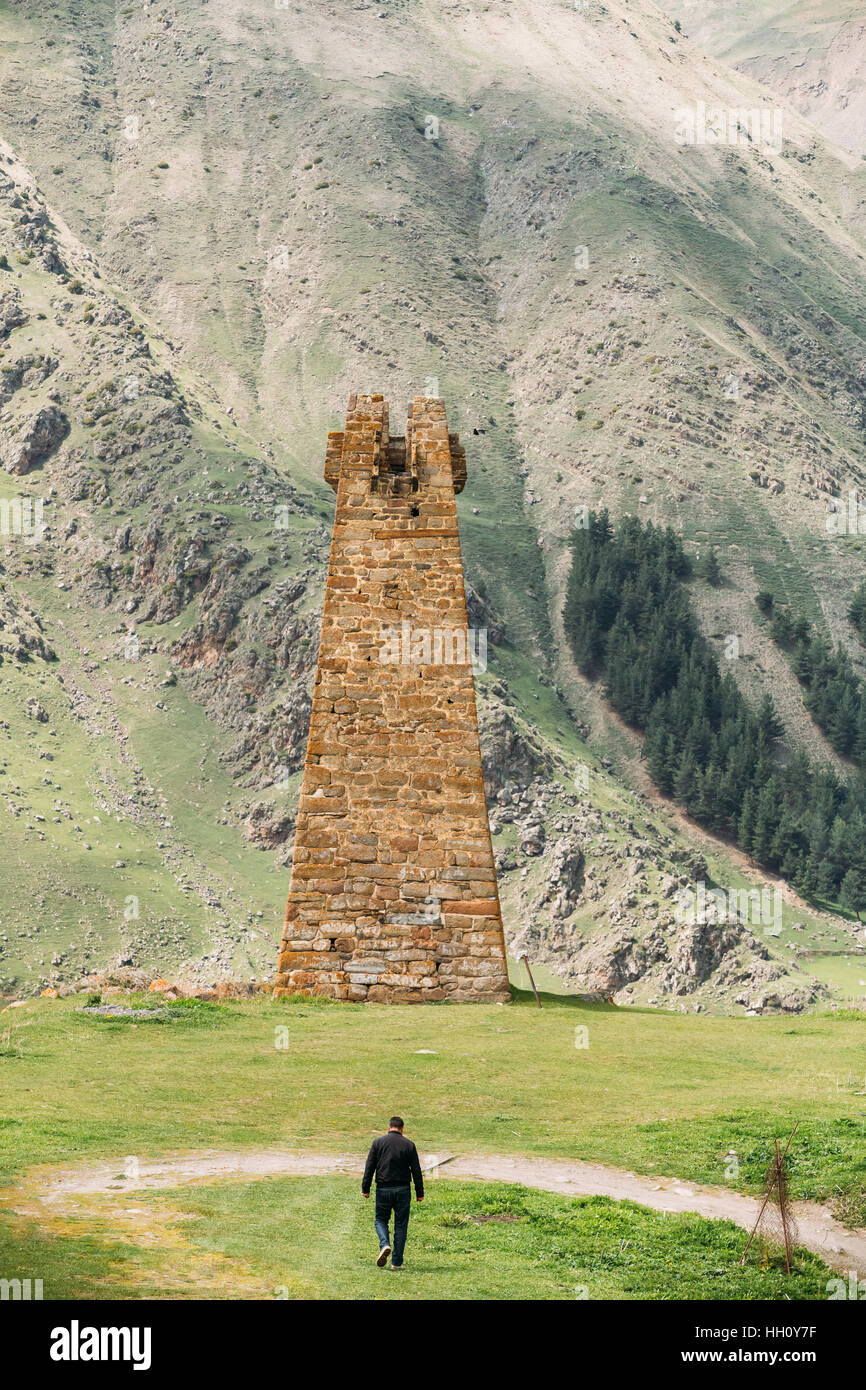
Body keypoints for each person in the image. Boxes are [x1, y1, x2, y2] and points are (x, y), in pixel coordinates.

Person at [361, 1116, 424, 1270]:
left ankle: (384, 1244)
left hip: (383, 1188)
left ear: (388, 1128)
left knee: (380, 1220)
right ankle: (396, 1263)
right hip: (403, 1190)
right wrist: (419, 1192)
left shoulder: (378, 1143)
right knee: (401, 1226)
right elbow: (416, 1170)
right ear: (402, 1129)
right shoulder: (409, 1145)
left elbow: (370, 1166)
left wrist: (365, 1188)